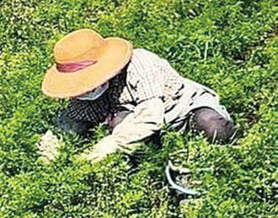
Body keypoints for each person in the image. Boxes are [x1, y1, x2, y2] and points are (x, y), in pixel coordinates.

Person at [37, 29, 236, 163]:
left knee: (213, 124)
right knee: (119, 123)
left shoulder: (139, 64)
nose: (84, 89)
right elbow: (69, 121)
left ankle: (232, 155)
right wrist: (50, 151)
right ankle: (156, 161)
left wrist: (109, 146)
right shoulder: (84, 94)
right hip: (142, 127)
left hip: (180, 110)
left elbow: (150, 115)